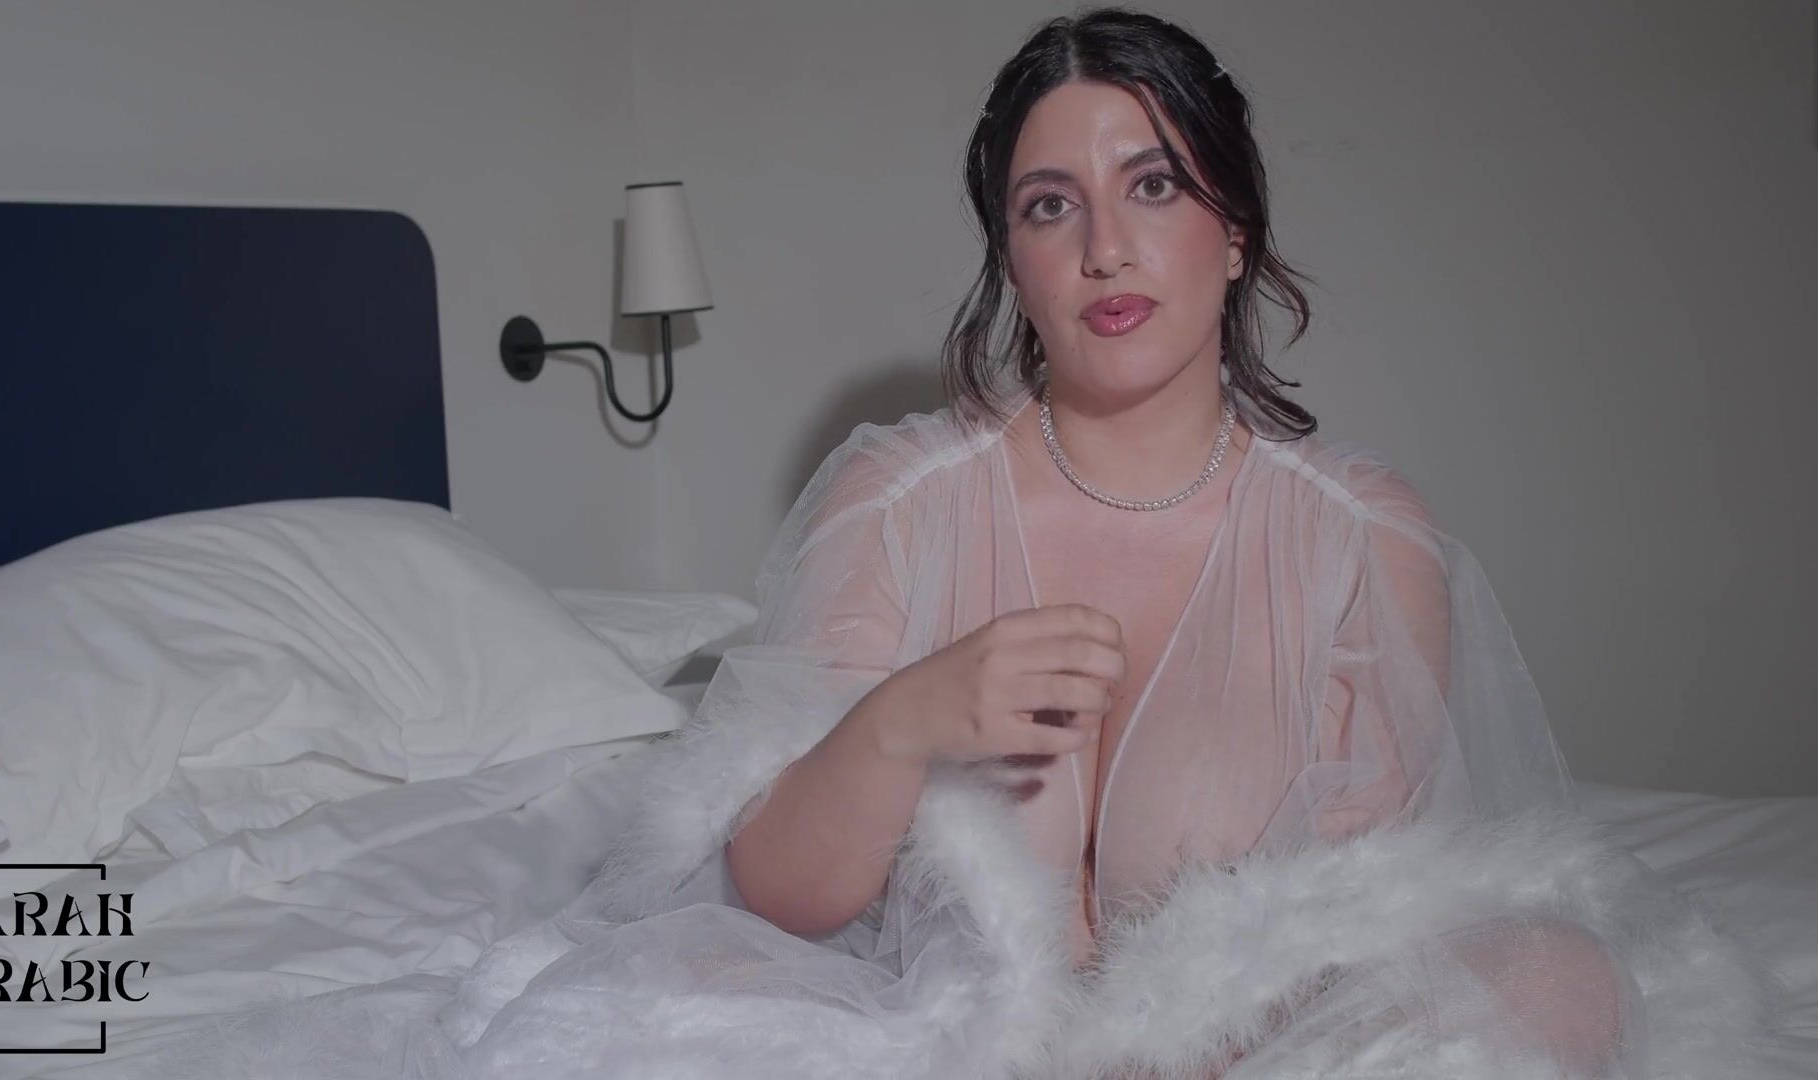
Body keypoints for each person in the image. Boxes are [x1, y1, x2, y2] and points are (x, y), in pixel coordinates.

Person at [445, 10, 1773, 1079]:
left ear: (1233, 231)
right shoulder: (898, 502)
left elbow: (1384, 922)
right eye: (1049, 206)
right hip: (934, 1046)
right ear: (1011, 260)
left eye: (1153, 185)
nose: (1104, 248)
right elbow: (778, 897)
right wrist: (901, 724)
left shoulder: (1362, 542)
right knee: (674, 992)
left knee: (1554, 978)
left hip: (1253, 1054)